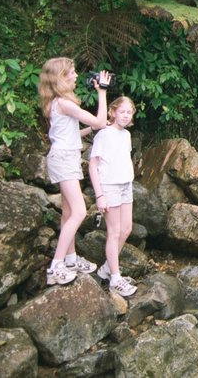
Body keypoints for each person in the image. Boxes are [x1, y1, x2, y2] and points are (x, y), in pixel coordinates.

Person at [38, 58, 111, 285]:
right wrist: (102, 92)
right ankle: (56, 266)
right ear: (61, 78)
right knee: (79, 212)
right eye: (72, 72)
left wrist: (89, 128)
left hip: (62, 157)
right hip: (64, 161)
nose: (77, 75)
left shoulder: (55, 104)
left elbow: (66, 135)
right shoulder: (64, 104)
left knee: (68, 212)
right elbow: (100, 121)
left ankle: (70, 258)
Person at [89, 96, 138, 297]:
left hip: (126, 184)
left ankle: (106, 269)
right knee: (114, 231)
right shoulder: (104, 134)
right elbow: (92, 166)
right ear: (113, 111)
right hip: (109, 186)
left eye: (129, 112)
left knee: (126, 229)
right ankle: (115, 278)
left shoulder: (126, 135)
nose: (125, 116)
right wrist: (99, 195)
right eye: (122, 112)